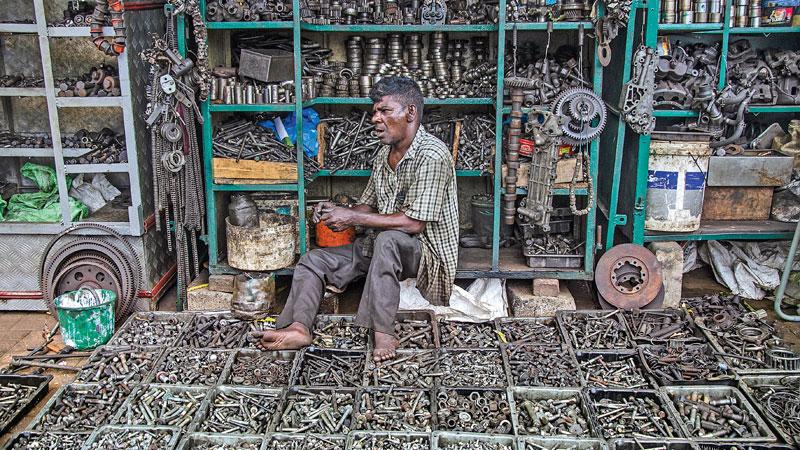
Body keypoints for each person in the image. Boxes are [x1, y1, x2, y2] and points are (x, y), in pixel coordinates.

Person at [253, 76, 459, 362]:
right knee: (313, 260)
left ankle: (383, 331)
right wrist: (339, 213)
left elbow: (414, 224)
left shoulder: (433, 155)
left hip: (426, 254)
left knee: (389, 240)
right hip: (379, 248)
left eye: (384, 111)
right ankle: (299, 327)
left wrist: (351, 216)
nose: (375, 118)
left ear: (411, 112)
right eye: (374, 112)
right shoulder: (383, 156)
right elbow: (366, 208)